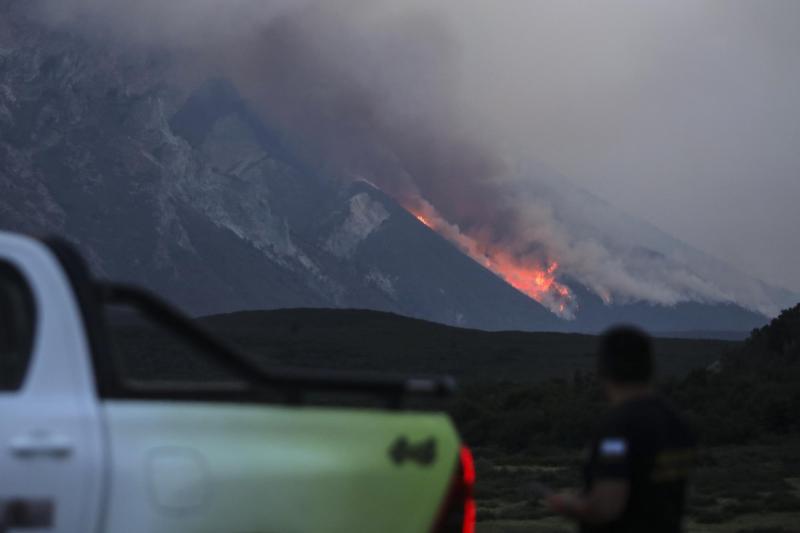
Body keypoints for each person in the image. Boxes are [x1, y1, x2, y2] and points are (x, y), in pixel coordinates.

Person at [546, 326, 696, 532]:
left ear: (603, 369)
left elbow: (606, 507)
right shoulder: (677, 421)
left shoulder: (617, 431)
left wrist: (567, 504)